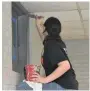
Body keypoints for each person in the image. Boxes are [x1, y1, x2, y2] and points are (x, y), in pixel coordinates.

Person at [16, 16, 79, 90]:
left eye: (44, 28)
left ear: (46, 30)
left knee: (24, 86)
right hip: (66, 86)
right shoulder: (56, 42)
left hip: (62, 86)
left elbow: (65, 65)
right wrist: (38, 24)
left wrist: (44, 80)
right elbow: (44, 38)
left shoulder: (51, 45)